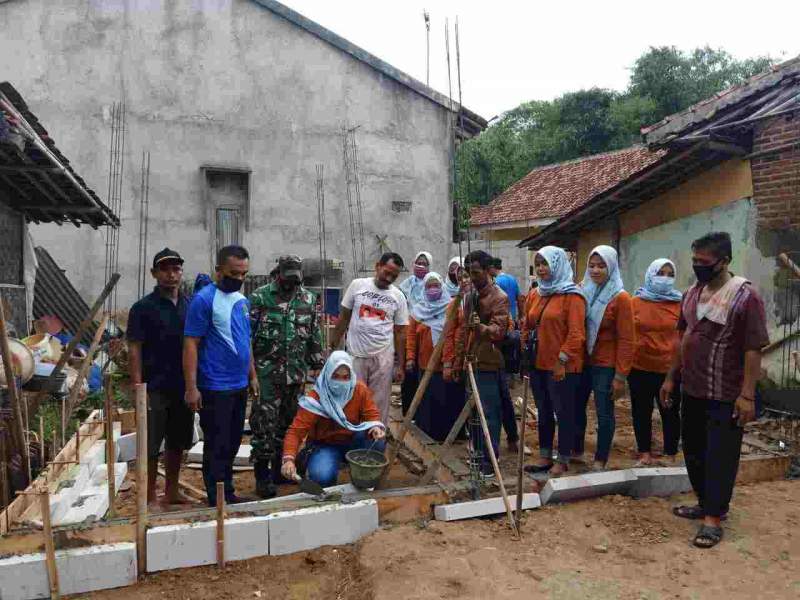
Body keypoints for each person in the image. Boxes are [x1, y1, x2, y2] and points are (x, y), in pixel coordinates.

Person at [661, 232, 768, 549]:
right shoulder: (692, 293)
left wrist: (747, 394)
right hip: (692, 388)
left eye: (704, 262)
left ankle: (713, 518)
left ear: (724, 261)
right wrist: (670, 378)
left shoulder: (745, 297)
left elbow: (753, 348)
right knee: (693, 450)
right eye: (694, 261)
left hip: (725, 392)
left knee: (720, 455)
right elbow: (681, 338)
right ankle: (705, 503)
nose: (697, 267)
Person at [183, 245, 259, 506]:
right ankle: (217, 499)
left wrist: (252, 374)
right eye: (233, 273)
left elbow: (245, 339)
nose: (238, 279)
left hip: (238, 384)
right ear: (218, 271)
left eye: (243, 274)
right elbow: (191, 343)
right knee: (216, 444)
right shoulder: (204, 300)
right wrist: (191, 387)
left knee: (234, 440)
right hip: (215, 386)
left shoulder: (241, 301)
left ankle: (227, 491)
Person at [249, 255, 324, 498]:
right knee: (264, 427)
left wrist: (317, 365)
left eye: (296, 278)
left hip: (296, 377)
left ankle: (280, 470)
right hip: (266, 377)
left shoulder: (308, 299)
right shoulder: (260, 297)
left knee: (288, 425)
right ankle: (262, 478)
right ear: (278, 273)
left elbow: (313, 335)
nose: (292, 283)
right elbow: (246, 339)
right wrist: (249, 374)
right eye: (287, 277)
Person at [127, 248, 193, 507]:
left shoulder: (190, 304)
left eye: (176, 269)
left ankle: (172, 491)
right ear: (154, 273)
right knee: (151, 444)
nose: (171, 274)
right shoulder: (143, 308)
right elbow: (134, 347)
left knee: (177, 441)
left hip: (183, 385)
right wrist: (137, 385)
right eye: (165, 269)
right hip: (154, 386)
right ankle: (150, 496)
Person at [521, 246, 586, 476]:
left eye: (545, 263)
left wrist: (562, 360)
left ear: (557, 264)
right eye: (537, 264)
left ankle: (564, 457)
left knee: (564, 412)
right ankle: (545, 454)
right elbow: (526, 322)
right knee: (544, 410)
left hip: (563, 365)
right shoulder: (536, 294)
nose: (540, 268)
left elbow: (577, 333)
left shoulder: (572, 295)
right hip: (538, 362)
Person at [443, 250, 509, 475]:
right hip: (470, 361)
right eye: (469, 273)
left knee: (489, 414)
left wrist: (481, 326)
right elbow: (462, 332)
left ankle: (490, 462)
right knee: (473, 415)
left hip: (488, 362)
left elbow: (499, 331)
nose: (472, 277)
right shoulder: (470, 295)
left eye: (476, 273)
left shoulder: (499, 297)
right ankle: (478, 455)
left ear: (488, 271)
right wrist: (457, 361)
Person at [281, 351, 386, 487]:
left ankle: (362, 478)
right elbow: (296, 431)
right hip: (325, 444)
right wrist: (288, 459)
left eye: (346, 377)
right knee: (321, 476)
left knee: (377, 441)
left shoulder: (358, 389)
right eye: (335, 376)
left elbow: (371, 413)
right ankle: (325, 468)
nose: (341, 382)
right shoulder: (316, 398)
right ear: (327, 374)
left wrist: (375, 427)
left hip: (352, 440)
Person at [574, 245, 635, 470]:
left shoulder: (621, 298)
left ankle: (601, 458)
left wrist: (620, 376)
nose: (596, 270)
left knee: (604, 412)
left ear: (611, 267)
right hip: (583, 361)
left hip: (606, 365)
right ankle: (576, 450)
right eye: (591, 265)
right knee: (577, 406)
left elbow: (628, 340)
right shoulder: (583, 291)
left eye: (601, 266)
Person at [328, 252, 409, 423]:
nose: (388, 278)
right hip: (356, 354)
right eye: (386, 272)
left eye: (394, 276)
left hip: (383, 357)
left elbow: (401, 333)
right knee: (351, 398)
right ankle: (350, 436)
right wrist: (332, 347)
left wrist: (400, 365)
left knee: (379, 403)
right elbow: (343, 317)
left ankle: (375, 439)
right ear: (377, 266)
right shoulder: (357, 285)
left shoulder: (398, 296)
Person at [630, 258, 682, 466]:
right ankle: (644, 453)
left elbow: (683, 336)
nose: (666, 278)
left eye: (670, 275)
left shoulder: (679, 303)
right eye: (661, 273)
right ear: (650, 274)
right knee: (641, 411)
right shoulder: (636, 302)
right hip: (639, 367)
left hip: (668, 369)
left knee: (669, 412)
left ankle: (670, 454)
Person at [406, 272, 453, 440]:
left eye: (436, 286)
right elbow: (411, 336)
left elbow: (452, 335)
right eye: (429, 286)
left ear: (442, 286)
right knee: (425, 399)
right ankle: (425, 433)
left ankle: (443, 435)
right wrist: (410, 357)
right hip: (424, 364)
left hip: (445, 365)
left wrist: (449, 361)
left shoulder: (450, 308)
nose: (433, 289)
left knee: (443, 399)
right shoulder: (417, 311)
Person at [399, 251, 433, 415]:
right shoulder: (406, 285)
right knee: (409, 373)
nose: (420, 266)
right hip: (408, 332)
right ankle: (408, 412)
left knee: (424, 373)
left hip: (426, 335)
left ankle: (421, 412)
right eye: (418, 263)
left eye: (424, 264)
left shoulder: (432, 286)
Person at [490, 258, 524, 324]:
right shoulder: (512, 278)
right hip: (513, 318)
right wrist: (521, 316)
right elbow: (519, 299)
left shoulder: (496, 282)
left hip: (503, 320)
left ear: (493, 268)